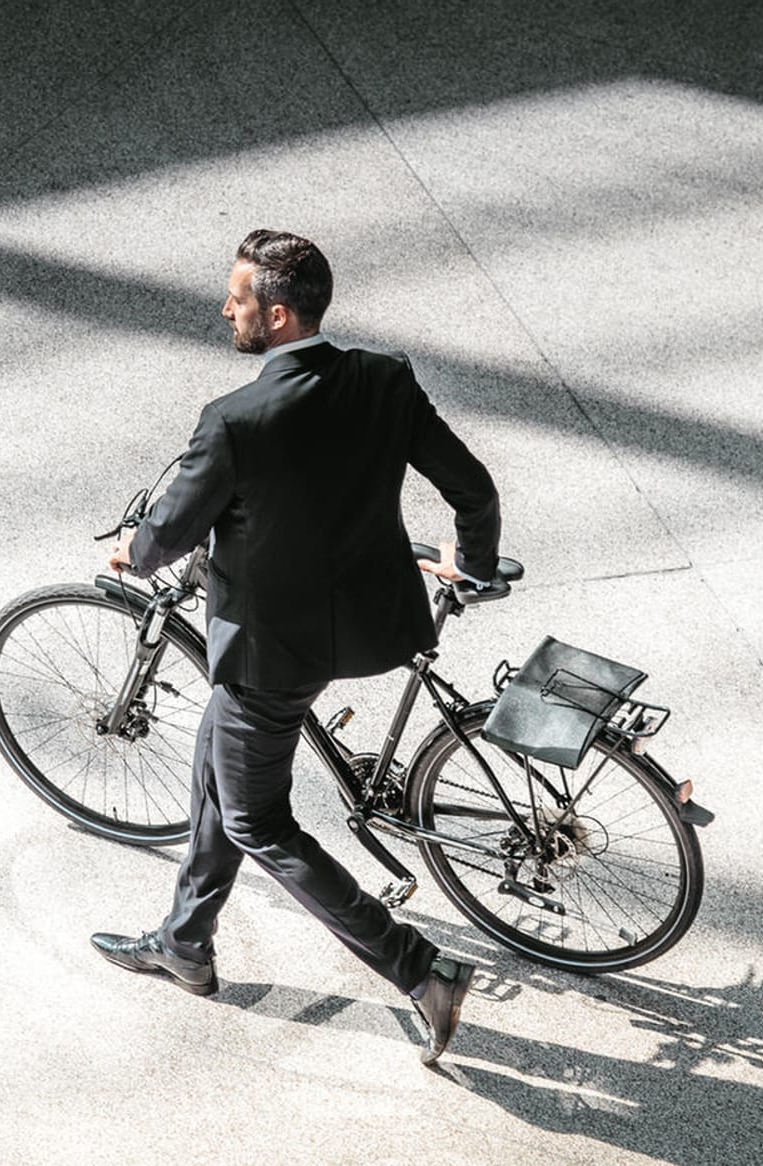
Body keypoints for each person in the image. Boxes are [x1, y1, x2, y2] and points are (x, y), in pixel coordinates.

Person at [95, 229, 501, 1066]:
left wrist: (133, 553)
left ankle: (418, 969)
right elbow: (473, 486)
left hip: (276, 650)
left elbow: (171, 530)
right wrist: (474, 562)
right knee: (218, 758)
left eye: (237, 298)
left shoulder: (236, 421)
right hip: (367, 622)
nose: (226, 308)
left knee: (257, 820)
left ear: (275, 315)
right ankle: (184, 944)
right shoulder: (385, 380)